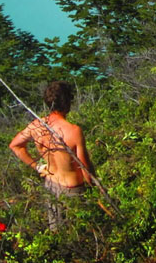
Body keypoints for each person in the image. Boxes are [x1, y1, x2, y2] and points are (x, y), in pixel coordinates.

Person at [9, 81, 93, 227]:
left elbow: (15, 146)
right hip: (73, 191)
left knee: (56, 235)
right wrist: (95, 189)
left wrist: (38, 167)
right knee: (80, 237)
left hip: (51, 185)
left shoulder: (36, 126)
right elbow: (85, 169)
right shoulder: (73, 131)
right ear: (67, 102)